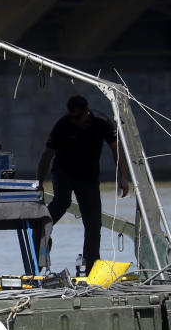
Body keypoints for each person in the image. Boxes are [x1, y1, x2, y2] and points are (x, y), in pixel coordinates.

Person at [36, 95, 128, 273]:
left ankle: (91, 266)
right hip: (64, 172)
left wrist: (123, 177)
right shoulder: (62, 125)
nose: (74, 121)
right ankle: (41, 232)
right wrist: (39, 182)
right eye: (71, 117)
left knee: (93, 223)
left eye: (77, 117)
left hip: (88, 177)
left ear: (87, 111)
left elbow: (116, 150)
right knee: (62, 202)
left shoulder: (102, 122)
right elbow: (46, 156)